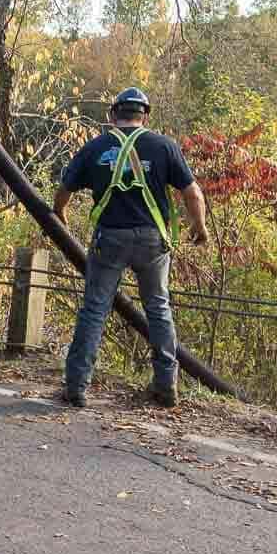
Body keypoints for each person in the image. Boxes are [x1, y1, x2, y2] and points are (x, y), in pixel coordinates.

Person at [52, 87, 209, 408]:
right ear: (145, 116)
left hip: (109, 239)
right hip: (153, 241)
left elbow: (64, 190)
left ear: (113, 115)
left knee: (95, 309)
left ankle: (76, 386)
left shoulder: (96, 147)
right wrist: (199, 226)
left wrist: (61, 214)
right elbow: (192, 192)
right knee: (158, 309)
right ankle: (166, 387)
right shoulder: (164, 146)